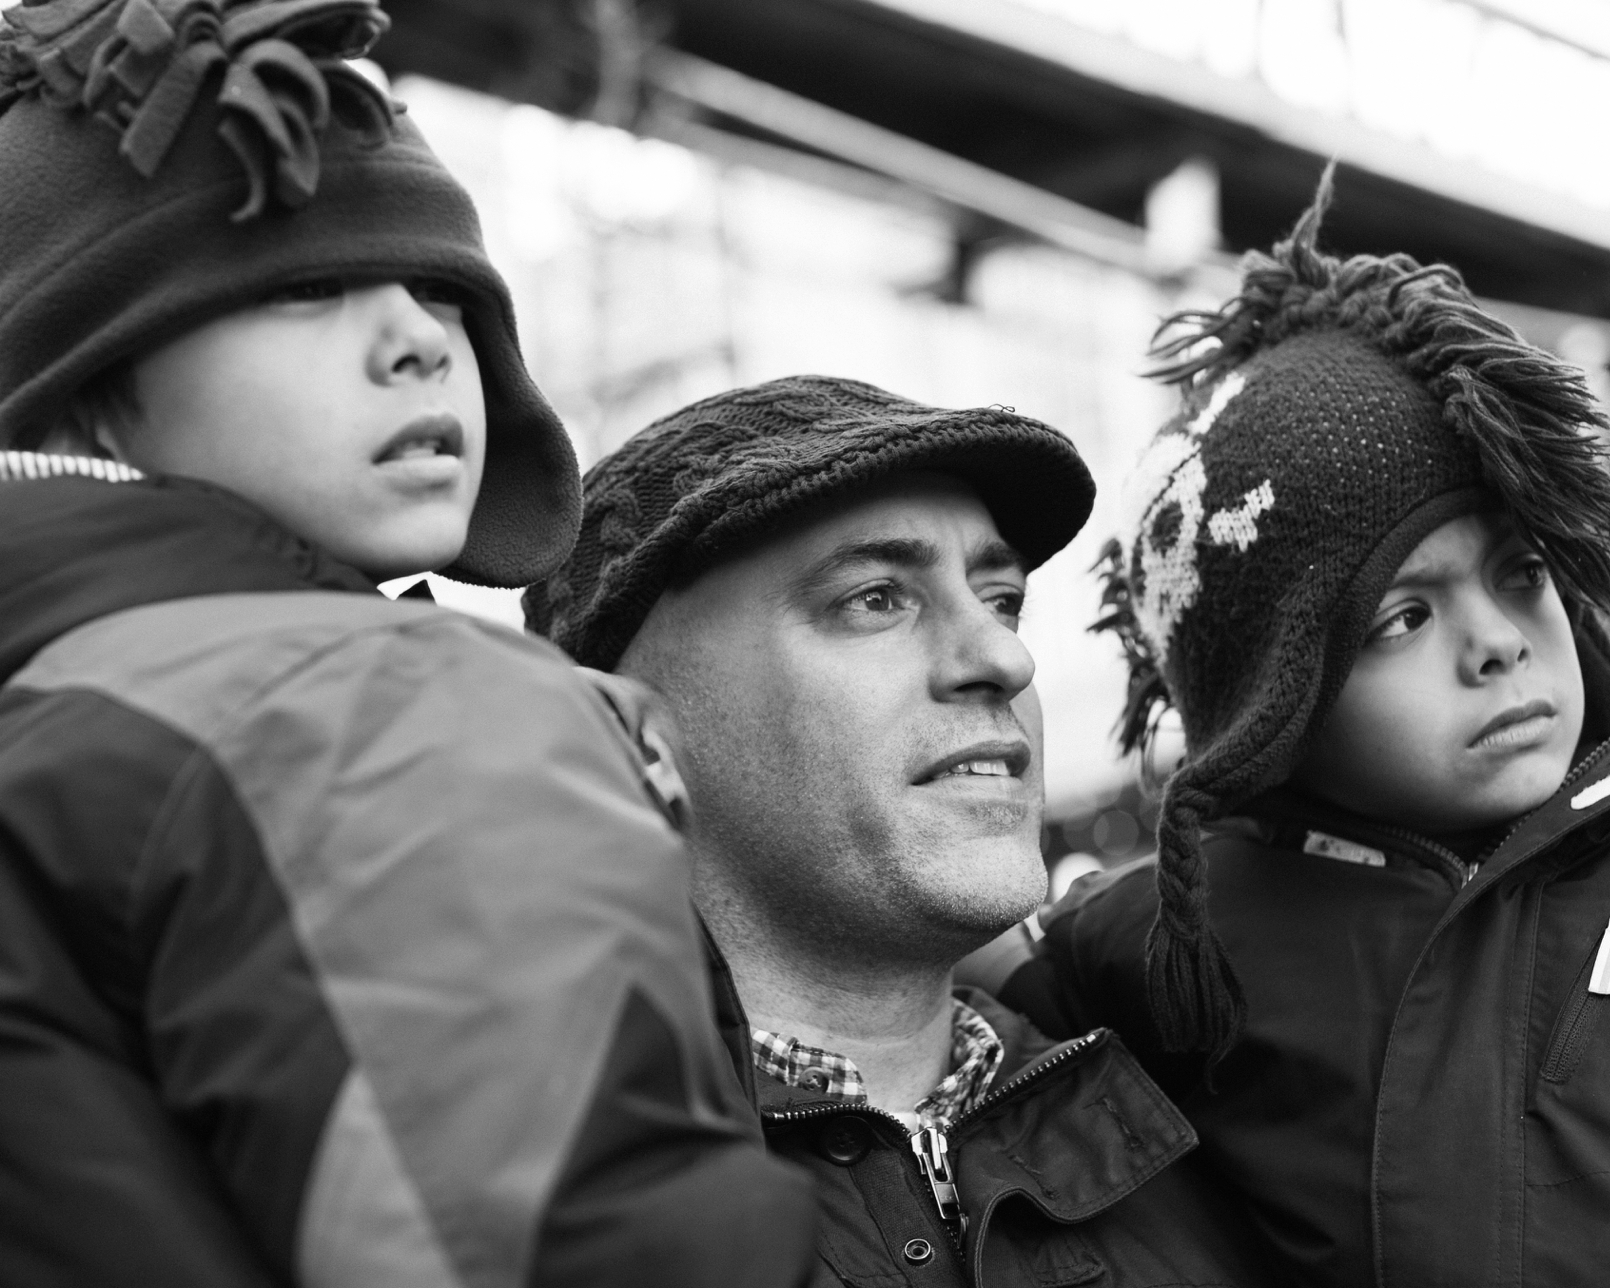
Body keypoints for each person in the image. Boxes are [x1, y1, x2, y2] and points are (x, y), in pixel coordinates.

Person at [0, 0, 814, 1286]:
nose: (423, 338)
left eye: (441, 286)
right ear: (87, 394)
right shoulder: (358, 698)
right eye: (306, 285)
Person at [977, 177, 1610, 1284]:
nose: (1497, 642)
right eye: (1403, 615)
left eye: (1520, 573)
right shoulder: (1173, 951)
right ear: (1271, 705)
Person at [525, 375, 1265, 1287]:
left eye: (1000, 598)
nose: (1005, 657)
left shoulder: (1213, 1140)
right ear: (634, 732)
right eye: (876, 597)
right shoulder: (487, 1196)